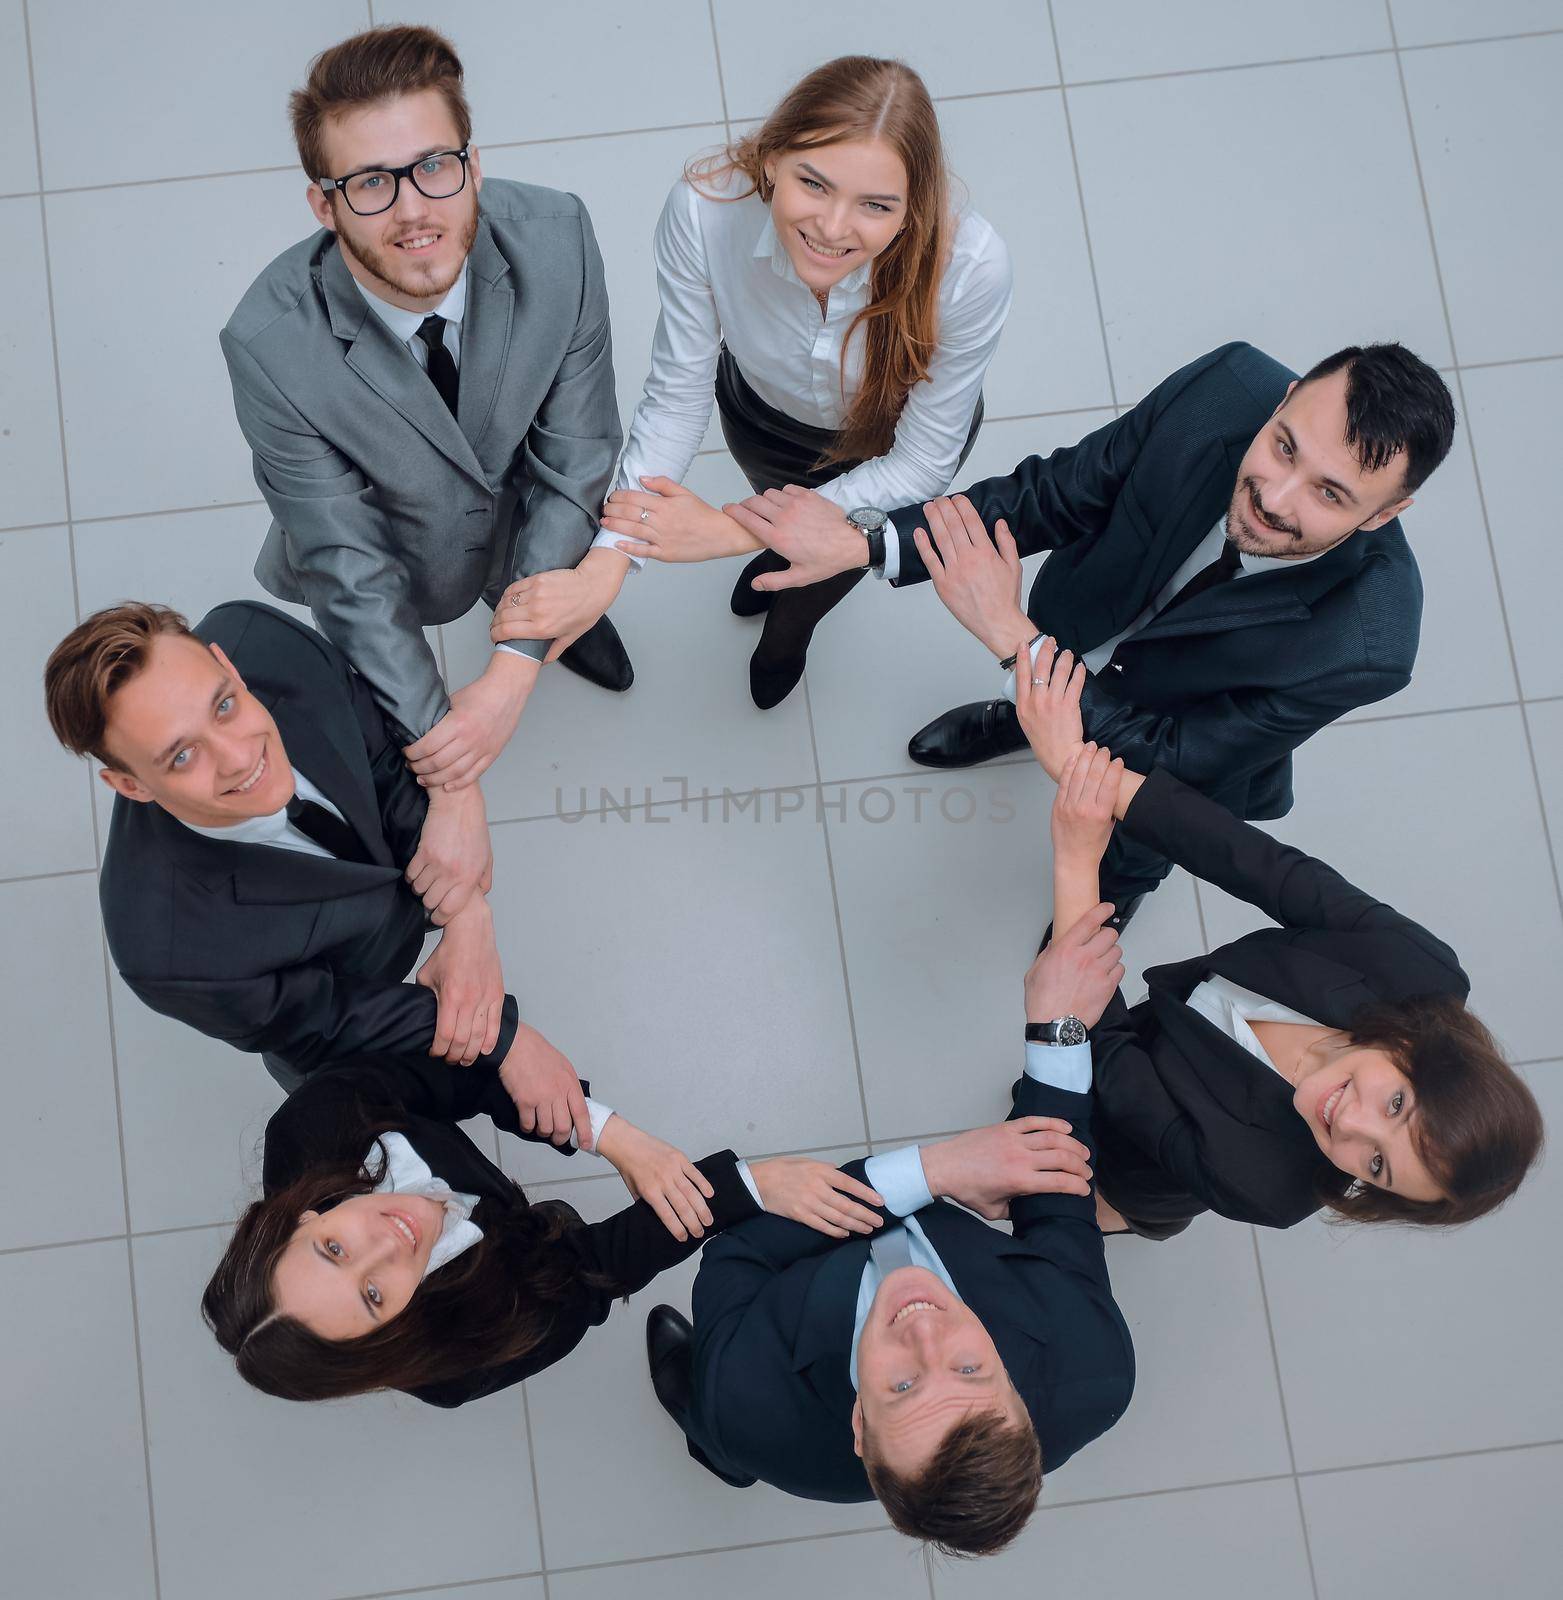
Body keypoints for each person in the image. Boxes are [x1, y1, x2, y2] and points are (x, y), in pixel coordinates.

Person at [717, 340, 1456, 924]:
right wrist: (866, 545)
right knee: (1036, 690)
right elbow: (1054, 494)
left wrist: (1014, 639)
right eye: (1284, 446)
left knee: (1133, 849)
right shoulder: (1226, 386)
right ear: (1284, 397)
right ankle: (1017, 718)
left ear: (1385, 513)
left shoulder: (1368, 645)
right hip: (1079, 629)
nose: (1272, 496)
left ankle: (1113, 899)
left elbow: (1173, 762)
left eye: (1330, 494)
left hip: (1170, 753)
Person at [644, 839, 1134, 1557]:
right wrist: (1055, 1028)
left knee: (718, 1425)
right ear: (1018, 1399)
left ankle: (715, 1452)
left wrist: (931, 1170)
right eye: (971, 1369)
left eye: (901, 1384)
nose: (923, 1329)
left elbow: (736, 1257)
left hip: (755, 1399)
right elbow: (1056, 1193)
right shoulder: (1094, 1366)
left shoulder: (752, 1395)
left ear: (859, 1428)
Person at [222, 24, 634, 802]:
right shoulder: (267, 346)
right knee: (374, 653)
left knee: (540, 566)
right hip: (393, 544)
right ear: (323, 204)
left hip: (523, 514)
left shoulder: (560, 238)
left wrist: (516, 664)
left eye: (434, 167)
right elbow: (351, 568)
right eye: (372, 183)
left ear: (473, 165)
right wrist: (446, 760)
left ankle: (540, 617)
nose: (413, 211)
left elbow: (576, 451)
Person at [1017, 639, 1544, 1238]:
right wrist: (1083, 774)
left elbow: (1104, 1052)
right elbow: (1260, 866)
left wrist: (1076, 860)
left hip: (1143, 1160)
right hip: (1153, 1029)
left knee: (1093, 1193)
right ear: (1415, 1051)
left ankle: (1121, 1219)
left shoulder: (1261, 1184)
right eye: (1396, 1105)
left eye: (1378, 1165)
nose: (1350, 1126)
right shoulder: (1418, 970)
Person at [43, 599, 578, 1135]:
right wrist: (504, 1041)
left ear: (227, 665)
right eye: (182, 756)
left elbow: (385, 765)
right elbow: (328, 1019)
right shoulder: (168, 951)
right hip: (342, 1008)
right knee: (368, 1114)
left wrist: (465, 912)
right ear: (131, 786)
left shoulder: (264, 641)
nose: (238, 757)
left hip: (391, 924)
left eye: (225, 706)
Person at [588, 55, 1011, 709]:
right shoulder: (704, 210)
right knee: (784, 513)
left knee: (826, 570)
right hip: (763, 421)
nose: (832, 229)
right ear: (769, 161)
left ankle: (788, 637)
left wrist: (735, 535)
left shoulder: (968, 268)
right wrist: (609, 559)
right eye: (812, 184)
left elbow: (922, 461)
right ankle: (777, 568)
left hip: (895, 446)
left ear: (911, 210)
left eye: (874, 205)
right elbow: (677, 390)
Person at [202, 1050, 890, 1407]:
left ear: (304, 1215)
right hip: (517, 1253)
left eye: (334, 1248)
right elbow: (594, 1269)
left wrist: (613, 1136)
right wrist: (747, 1189)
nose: (389, 1240)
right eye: (375, 1296)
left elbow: (453, 1077)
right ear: (390, 1334)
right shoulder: (476, 1350)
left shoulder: (314, 1121)